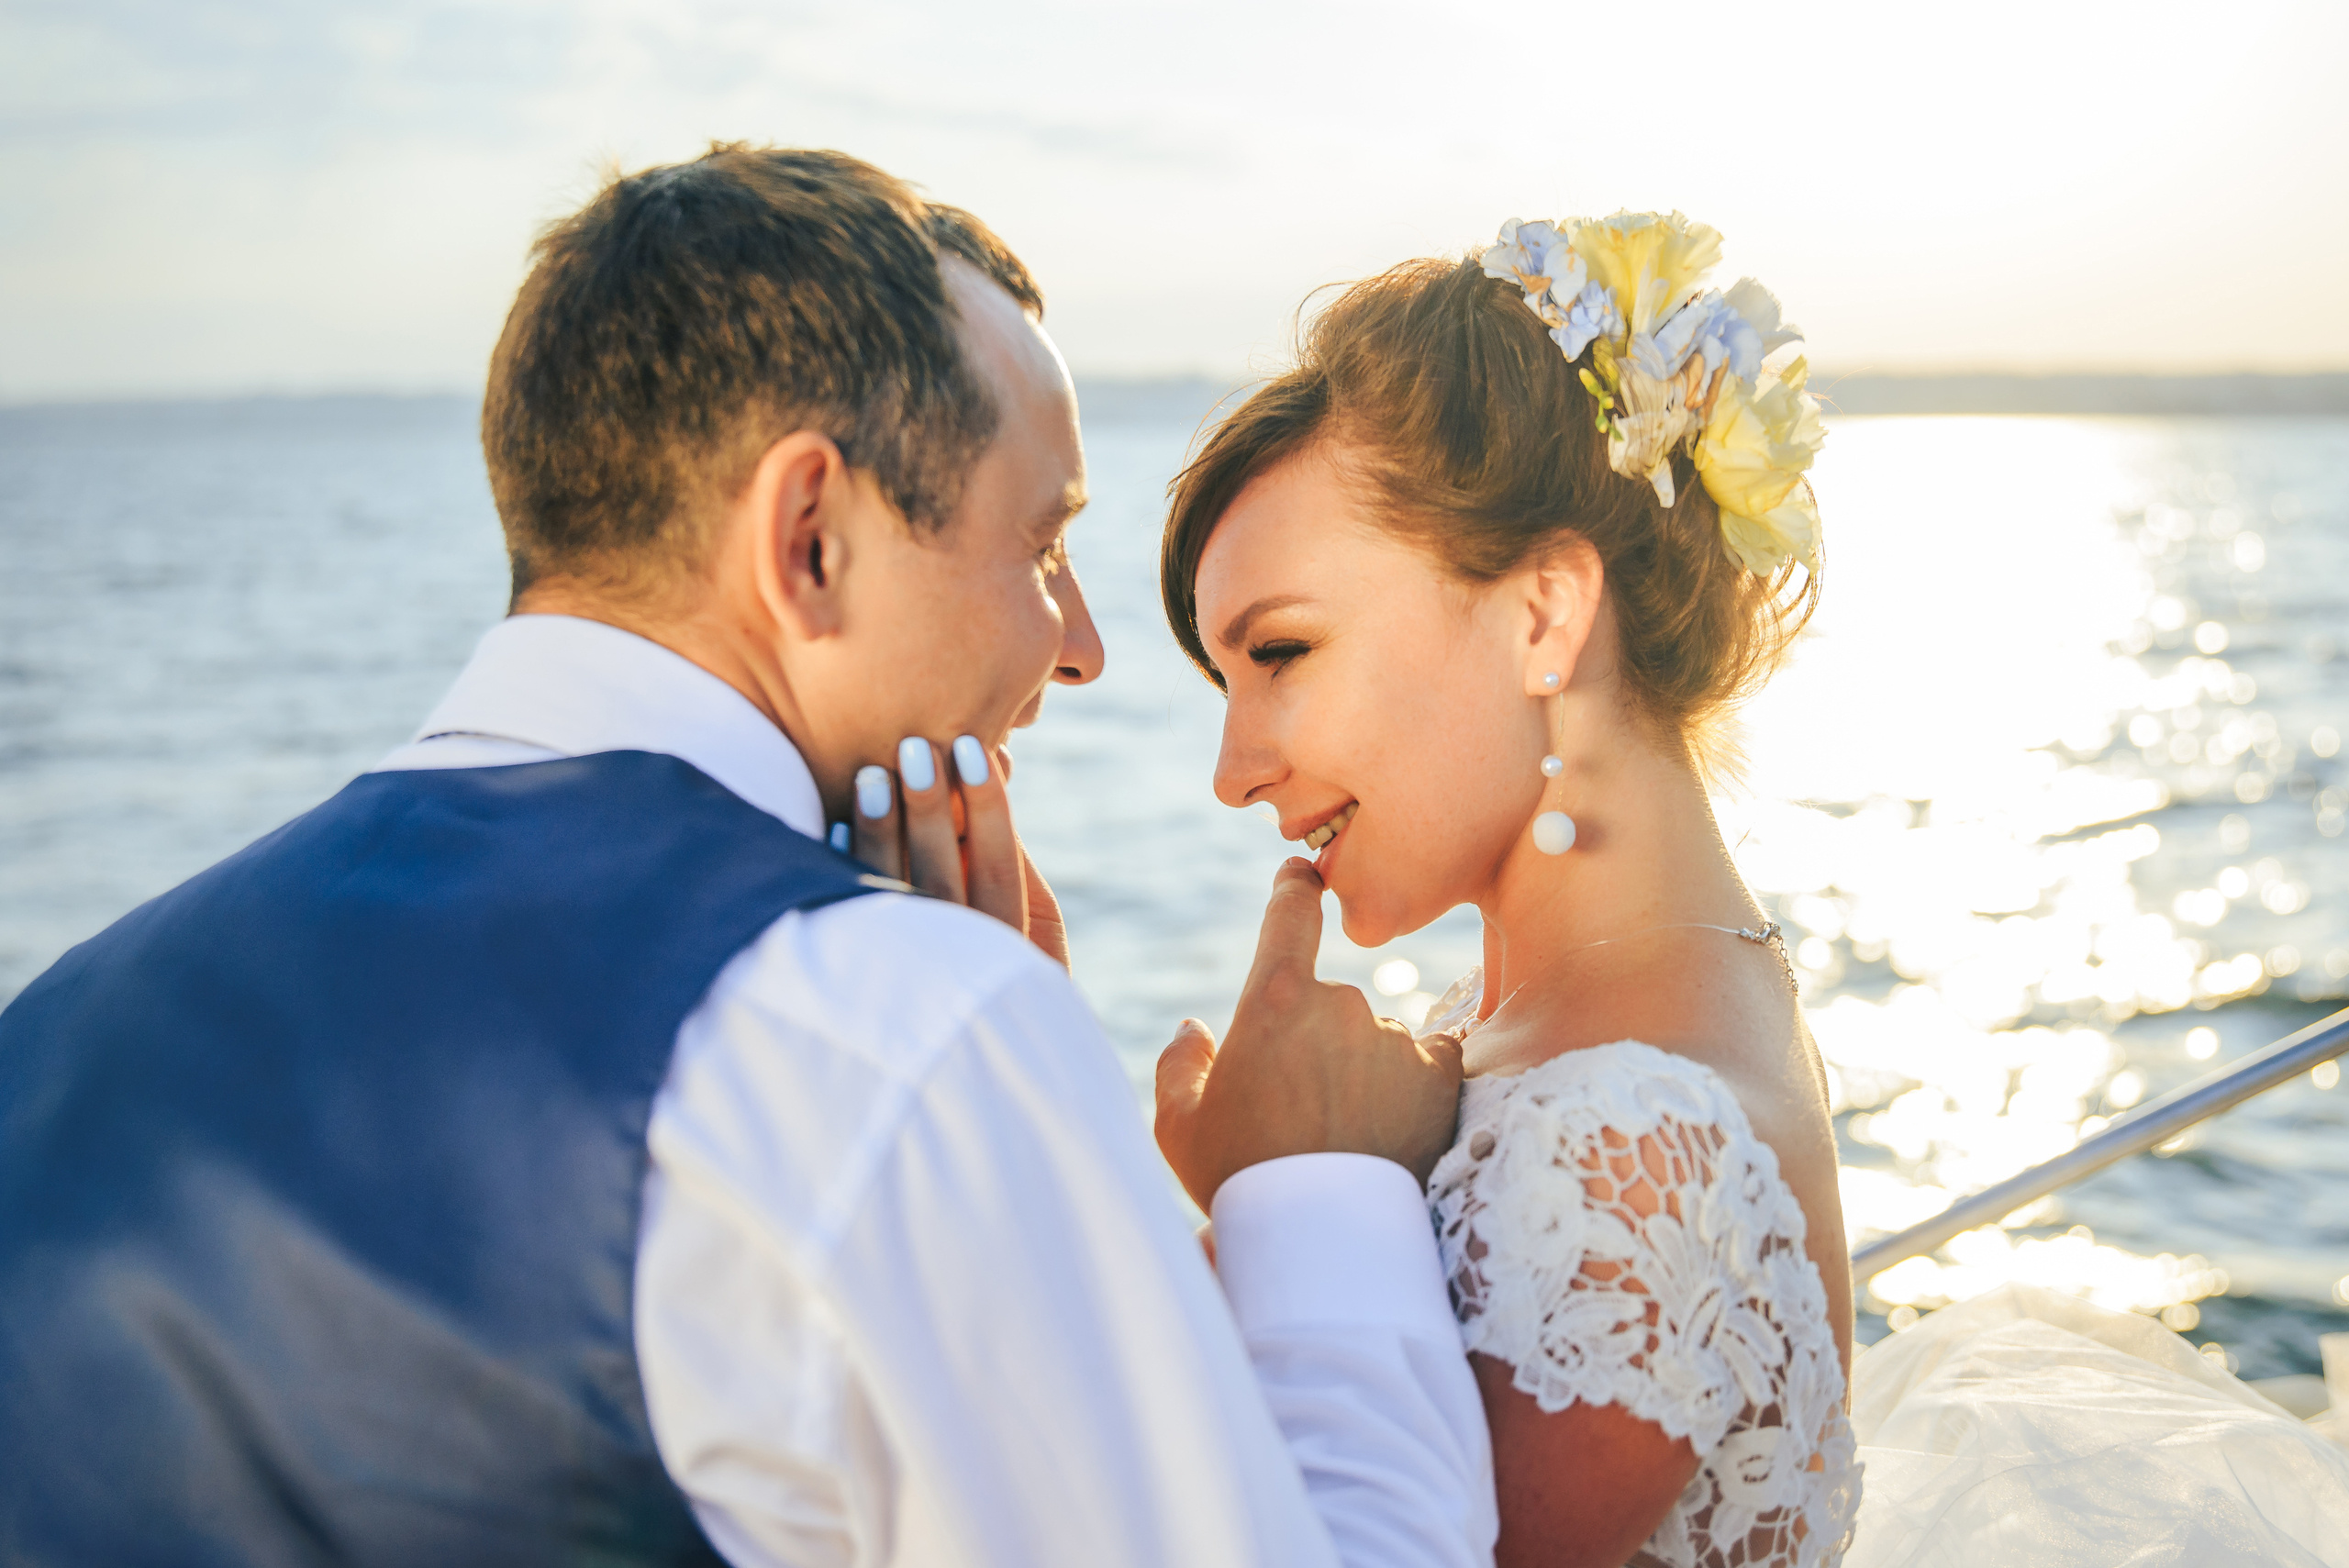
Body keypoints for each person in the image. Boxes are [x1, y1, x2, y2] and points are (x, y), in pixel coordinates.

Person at [0, 146, 1497, 1568]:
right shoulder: (886, 1030)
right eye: (1042, 546)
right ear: (810, 539)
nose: (1085, 647)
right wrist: (1318, 1190)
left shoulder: (54, 1032)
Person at [1152, 212, 2349, 1568]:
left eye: (1284, 650)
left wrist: (1280, 1183)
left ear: (1544, 615)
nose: (1235, 769)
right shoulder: (1618, 1001)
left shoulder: (1634, 1148)